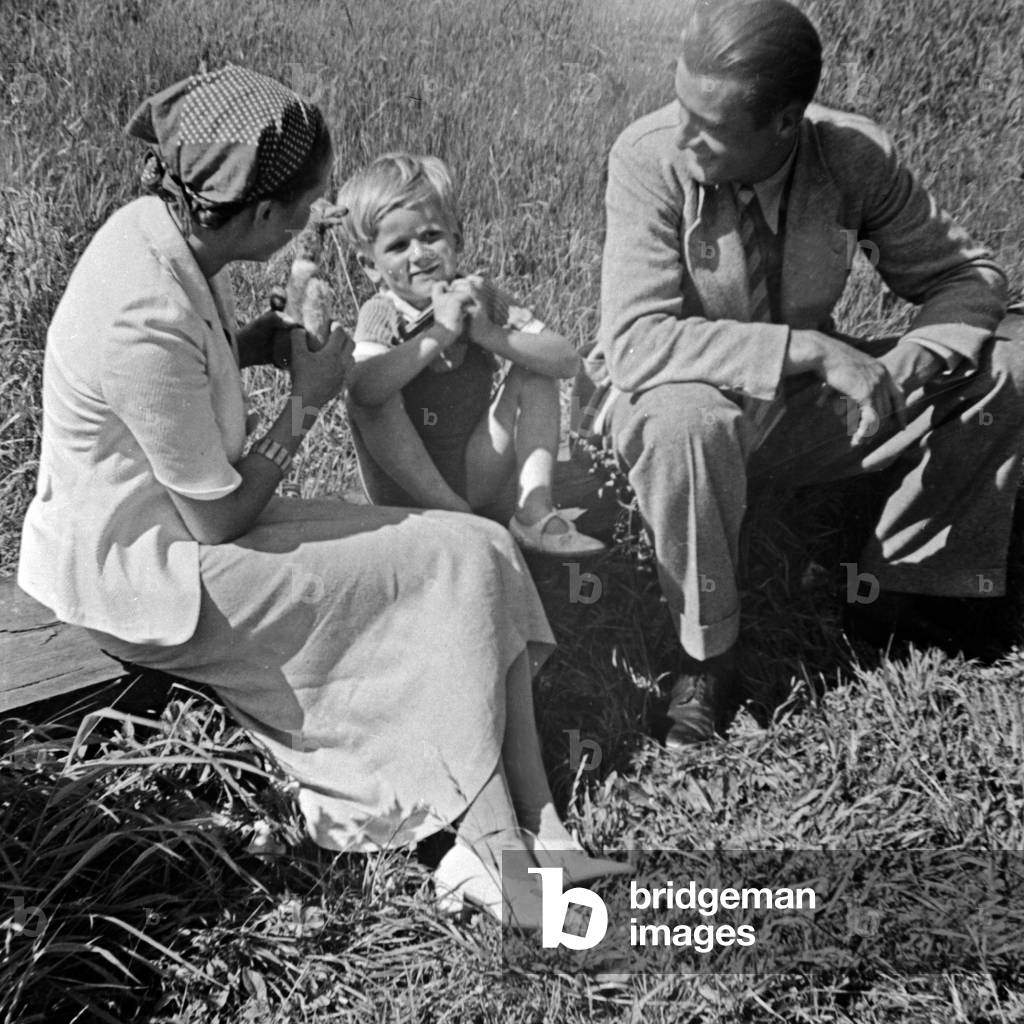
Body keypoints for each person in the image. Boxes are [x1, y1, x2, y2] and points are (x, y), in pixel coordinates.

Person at [16, 65, 623, 927]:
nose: (311, 222)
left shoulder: (167, 229)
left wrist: (265, 341)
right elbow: (218, 514)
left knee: (475, 548)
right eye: (302, 208)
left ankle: (539, 822)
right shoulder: (138, 309)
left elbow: (204, 355)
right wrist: (306, 399)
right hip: (154, 572)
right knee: (442, 569)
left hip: (180, 527)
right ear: (260, 213)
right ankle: (491, 852)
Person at [579, 0, 1024, 747]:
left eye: (710, 125)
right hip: (675, 408)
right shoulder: (647, 156)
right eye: (680, 104)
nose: (682, 132)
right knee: (688, 420)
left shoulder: (851, 156)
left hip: (803, 410)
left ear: (787, 123)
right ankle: (705, 655)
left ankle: (911, 585)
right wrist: (810, 350)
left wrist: (914, 359)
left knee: (1008, 356)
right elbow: (636, 343)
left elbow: (969, 276)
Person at [335, 152, 605, 555]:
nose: (419, 254)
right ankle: (454, 515)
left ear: (457, 239)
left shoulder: (478, 295)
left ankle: (533, 510)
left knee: (535, 370)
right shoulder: (383, 312)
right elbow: (363, 391)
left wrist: (491, 335)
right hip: (408, 490)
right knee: (374, 394)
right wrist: (440, 335)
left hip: (478, 468)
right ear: (371, 266)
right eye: (398, 245)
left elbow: (565, 360)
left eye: (430, 236)